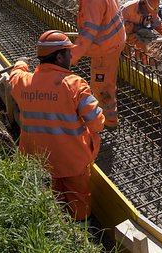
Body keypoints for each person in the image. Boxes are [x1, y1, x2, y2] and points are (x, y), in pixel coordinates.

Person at [8, 30, 105, 221]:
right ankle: (79, 230)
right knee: (78, 205)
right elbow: (97, 122)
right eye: (69, 52)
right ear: (60, 57)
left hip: (37, 161)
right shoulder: (74, 84)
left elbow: (14, 77)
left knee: (51, 204)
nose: (71, 56)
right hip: (72, 161)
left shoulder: (24, 82)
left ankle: (56, 229)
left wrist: (21, 63)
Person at [61, 0, 125, 128]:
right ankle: (108, 120)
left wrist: (69, 58)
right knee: (105, 84)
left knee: (101, 88)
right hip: (114, 41)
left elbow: (88, 36)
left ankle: (110, 123)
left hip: (106, 49)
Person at [121, 0, 162, 65]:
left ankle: (142, 64)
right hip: (125, 34)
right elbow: (119, 25)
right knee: (126, 49)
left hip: (139, 32)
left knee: (142, 48)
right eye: (147, 11)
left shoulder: (151, 10)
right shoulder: (127, 9)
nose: (149, 14)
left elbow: (156, 23)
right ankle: (124, 62)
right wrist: (135, 28)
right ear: (143, 4)